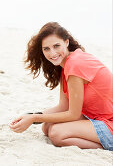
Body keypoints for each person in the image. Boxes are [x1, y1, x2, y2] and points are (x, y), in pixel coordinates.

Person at [9, 22, 113, 151]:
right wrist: (30, 116)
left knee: (57, 134)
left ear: (67, 42)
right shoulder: (66, 66)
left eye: (56, 46)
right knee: (47, 126)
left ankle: (106, 147)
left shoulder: (76, 64)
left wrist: (34, 118)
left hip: (109, 122)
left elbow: (73, 114)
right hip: (96, 117)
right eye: (46, 48)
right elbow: (63, 107)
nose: (52, 53)